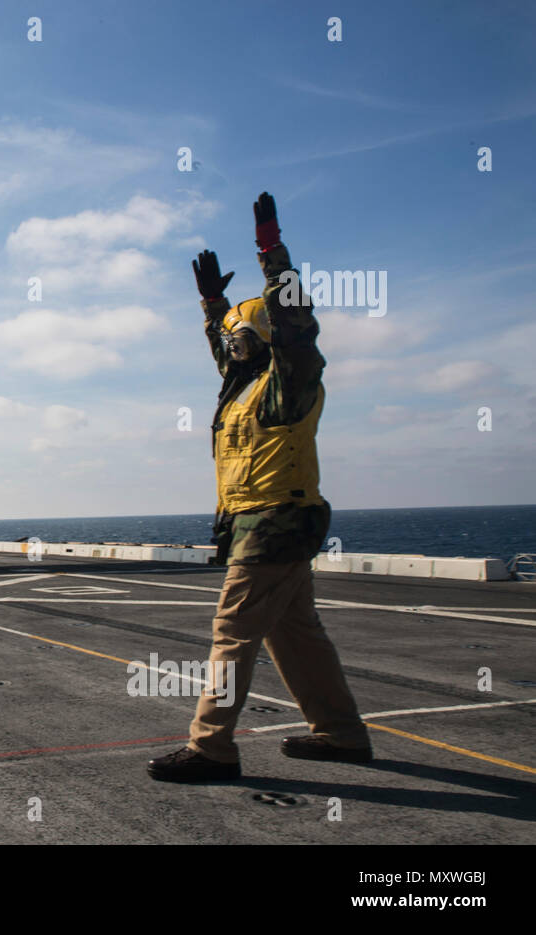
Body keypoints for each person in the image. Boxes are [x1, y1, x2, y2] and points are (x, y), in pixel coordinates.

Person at [147, 192, 373, 782]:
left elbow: (296, 323)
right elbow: (221, 351)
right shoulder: (242, 385)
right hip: (258, 521)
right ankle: (341, 735)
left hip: (276, 521)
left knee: (232, 634)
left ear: (262, 335)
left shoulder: (290, 379)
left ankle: (212, 749)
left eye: (238, 336)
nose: (231, 345)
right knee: (296, 635)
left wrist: (273, 255)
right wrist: (212, 303)